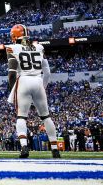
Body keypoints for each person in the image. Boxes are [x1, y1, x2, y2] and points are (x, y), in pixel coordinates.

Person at [5, 24, 61, 158]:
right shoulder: (39, 47)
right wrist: (43, 86)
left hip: (23, 80)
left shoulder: (12, 48)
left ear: (14, 36)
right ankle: (55, 148)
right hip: (38, 80)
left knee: (21, 116)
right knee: (46, 116)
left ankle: (24, 146)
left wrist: (13, 90)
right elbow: (47, 73)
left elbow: (12, 73)